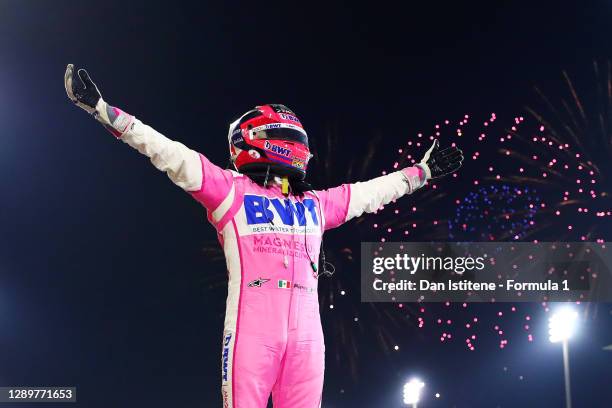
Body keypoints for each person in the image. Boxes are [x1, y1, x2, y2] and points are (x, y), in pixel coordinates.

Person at [64, 64, 463, 408]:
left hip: (302, 340)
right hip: (256, 335)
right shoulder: (231, 191)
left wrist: (421, 174)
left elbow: (372, 192)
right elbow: (168, 153)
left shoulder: (315, 204)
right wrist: (104, 111)